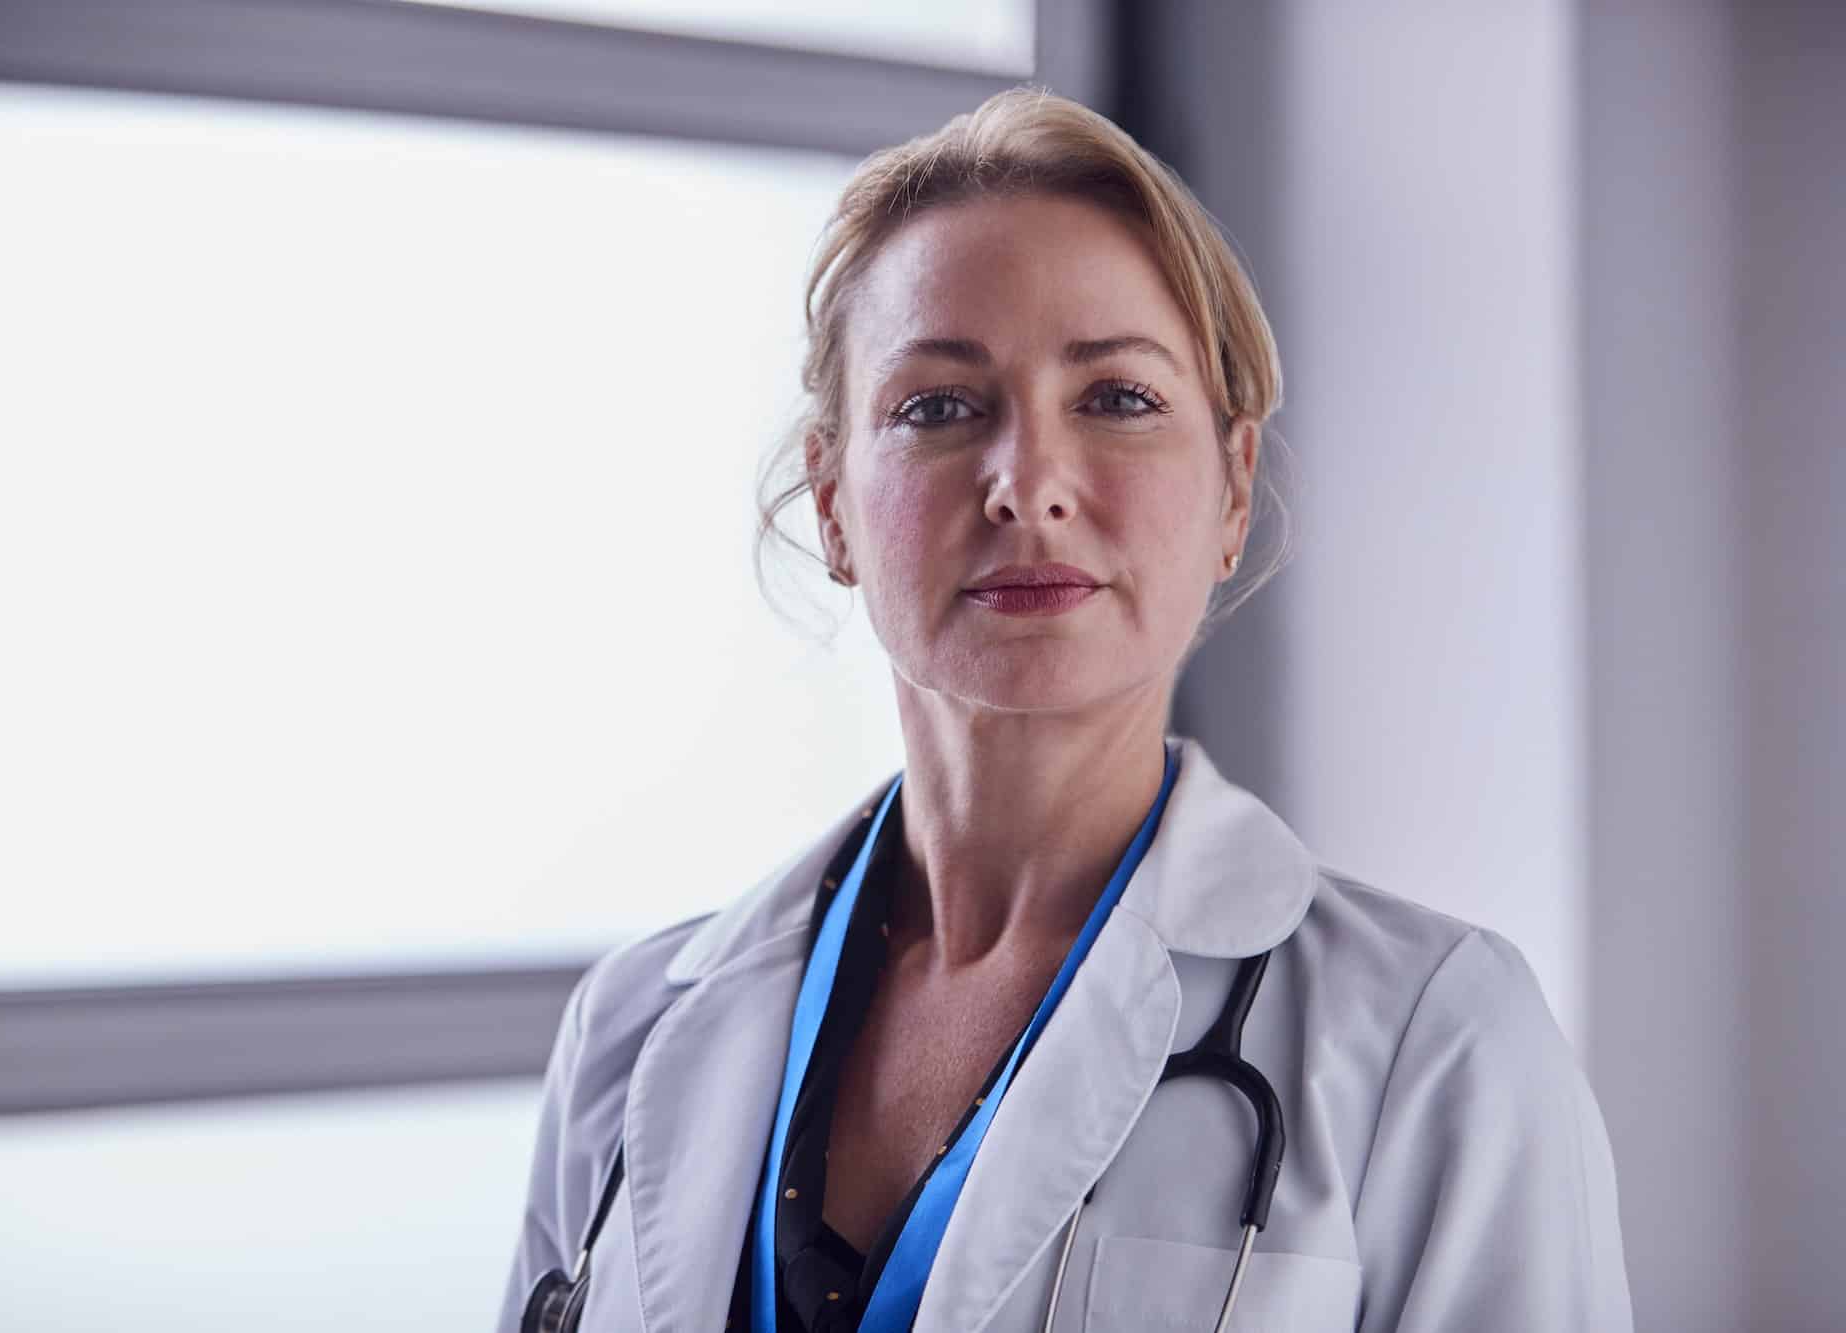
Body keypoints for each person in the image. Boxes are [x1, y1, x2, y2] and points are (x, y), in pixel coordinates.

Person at [498, 87, 1632, 1332]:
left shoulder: (1436, 1041)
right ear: (831, 502)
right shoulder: (635, 1028)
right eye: (937, 406)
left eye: (1116, 399)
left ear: (1232, 488)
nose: (1027, 484)